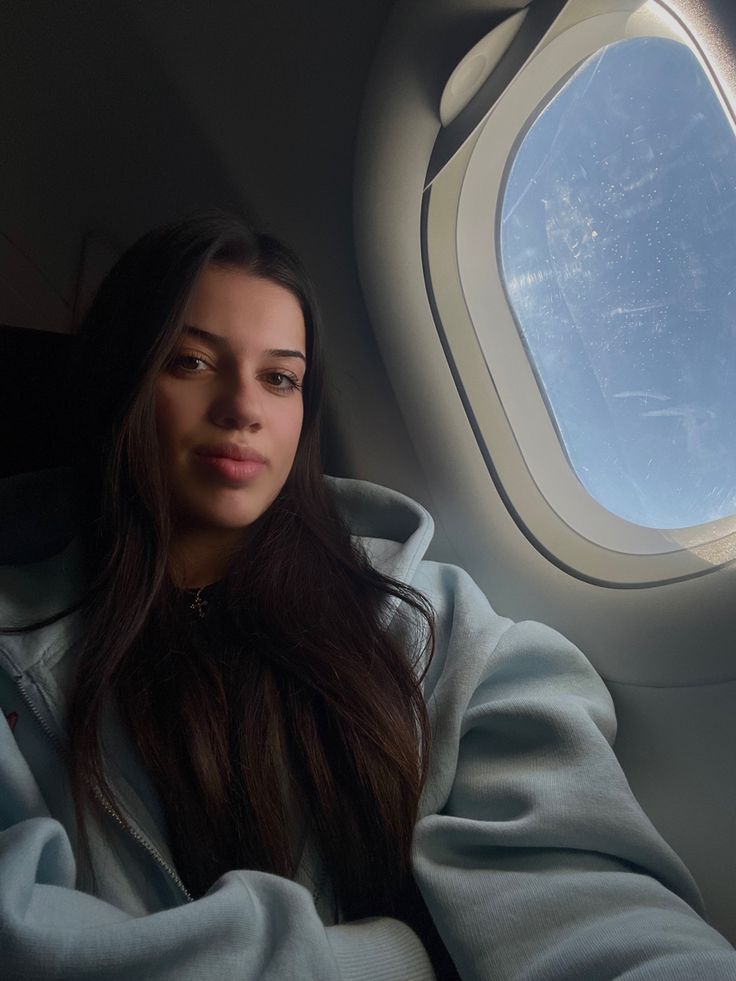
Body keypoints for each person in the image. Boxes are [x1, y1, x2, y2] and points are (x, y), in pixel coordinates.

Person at [0, 211, 734, 981]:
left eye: (280, 377)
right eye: (191, 361)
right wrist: (386, 961)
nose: (243, 407)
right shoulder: (18, 649)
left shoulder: (425, 620)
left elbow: (581, 897)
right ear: (121, 376)